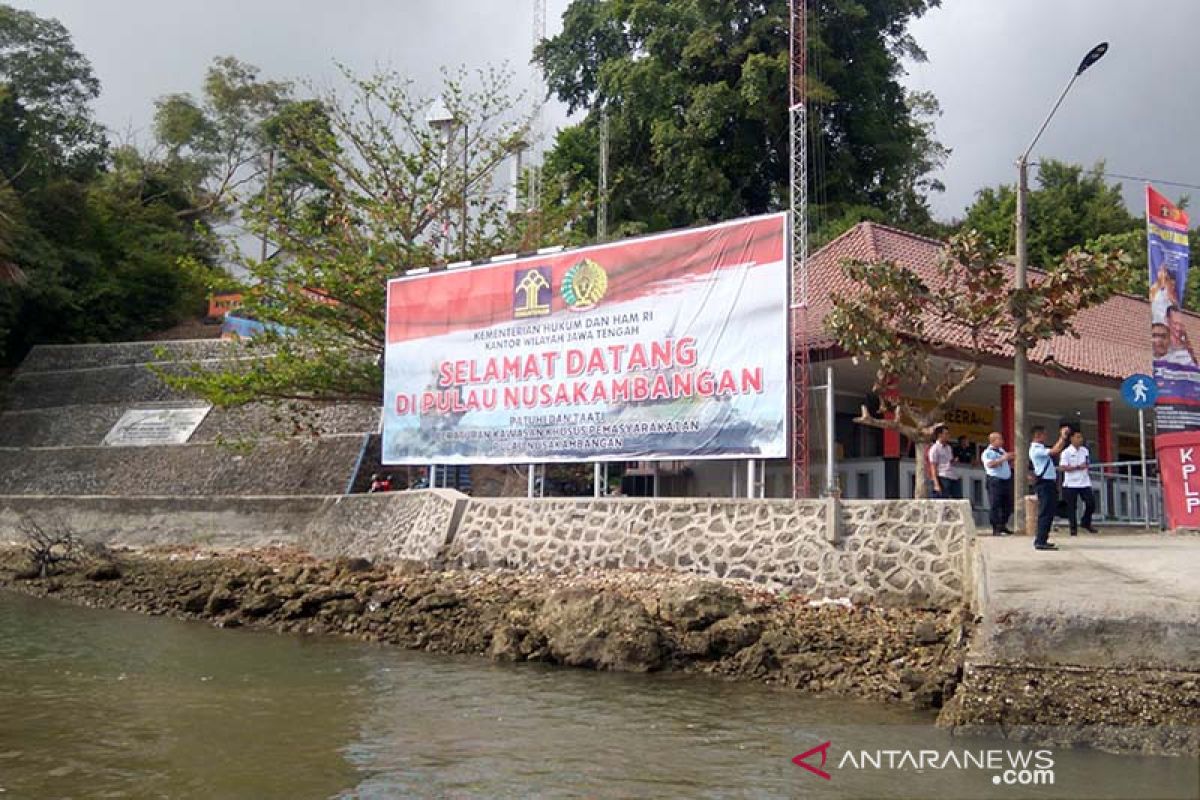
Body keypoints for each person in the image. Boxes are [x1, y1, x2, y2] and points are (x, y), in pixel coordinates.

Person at [1029, 425, 1070, 551]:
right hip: (1044, 484)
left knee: (1049, 511)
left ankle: (1043, 538)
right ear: (1038, 436)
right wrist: (1062, 437)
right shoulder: (1036, 449)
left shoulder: (1040, 448)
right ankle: (1040, 540)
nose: (1046, 437)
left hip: (1049, 483)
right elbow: (1055, 451)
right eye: (1044, 434)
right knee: (1045, 512)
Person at [1059, 431, 1097, 535]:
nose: (1080, 439)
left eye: (1081, 437)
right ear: (1071, 439)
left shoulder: (1084, 450)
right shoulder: (1066, 452)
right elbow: (1062, 467)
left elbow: (1087, 462)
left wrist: (1085, 465)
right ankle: (1073, 528)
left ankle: (1086, 522)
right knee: (1071, 507)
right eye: (1078, 437)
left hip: (1084, 482)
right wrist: (1076, 467)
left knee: (1091, 503)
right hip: (1071, 483)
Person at [981, 432, 1015, 535]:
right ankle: (995, 527)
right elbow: (990, 464)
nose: (1002, 441)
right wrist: (1003, 458)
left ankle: (1003, 524)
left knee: (1008, 504)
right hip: (995, 481)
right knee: (995, 504)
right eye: (999, 439)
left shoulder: (1001, 451)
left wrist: (1010, 458)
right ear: (993, 440)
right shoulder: (987, 452)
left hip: (1006, 480)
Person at [927, 425, 961, 499]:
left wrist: (953, 460)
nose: (948, 436)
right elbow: (933, 467)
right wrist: (936, 483)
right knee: (943, 498)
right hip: (942, 476)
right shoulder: (934, 448)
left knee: (958, 498)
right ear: (940, 435)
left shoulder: (948, 447)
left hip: (952, 475)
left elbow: (948, 461)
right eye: (946, 434)